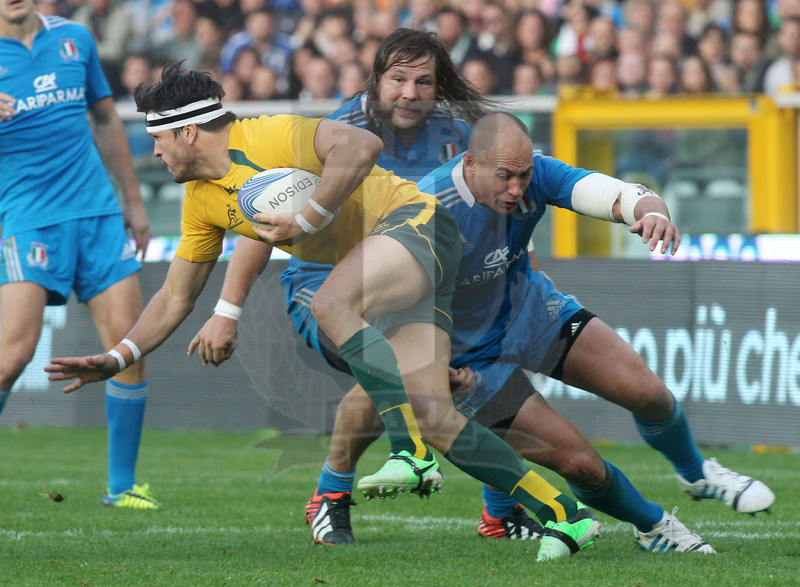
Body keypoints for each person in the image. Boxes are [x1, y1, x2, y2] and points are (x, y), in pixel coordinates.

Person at [45, 62, 602, 561]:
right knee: (438, 417)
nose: (157, 152)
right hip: (387, 272)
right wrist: (119, 357)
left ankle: (405, 453)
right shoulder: (201, 204)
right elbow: (174, 297)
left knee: (332, 300)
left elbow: (362, 149)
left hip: (419, 225)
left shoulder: (266, 134)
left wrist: (308, 217)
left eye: (160, 138)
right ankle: (567, 515)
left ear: (189, 131)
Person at [188, 30, 716, 554]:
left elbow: (533, 189)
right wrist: (227, 310)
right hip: (337, 281)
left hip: (469, 291)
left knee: (417, 375)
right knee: (387, 367)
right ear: (376, 82)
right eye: (398, 80)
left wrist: (535, 249)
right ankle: (338, 489)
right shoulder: (335, 132)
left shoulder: (466, 133)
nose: (410, 93)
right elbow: (262, 221)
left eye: (424, 82)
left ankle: (499, 509)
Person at [311, 112, 775, 547]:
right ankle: (653, 526)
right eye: (505, 177)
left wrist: (651, 212)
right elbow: (380, 313)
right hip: (472, 358)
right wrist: (434, 372)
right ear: (469, 164)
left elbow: (619, 193)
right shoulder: (428, 212)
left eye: (524, 176)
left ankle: (696, 473)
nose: (517, 189)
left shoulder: (537, 173)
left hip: (534, 313)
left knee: (648, 392)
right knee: (579, 464)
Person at [0, 0, 158, 508]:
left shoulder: (76, 39)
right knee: (11, 357)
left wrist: (132, 203)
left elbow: (107, 120)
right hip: (28, 219)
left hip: (98, 213)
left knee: (127, 349)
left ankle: (122, 487)